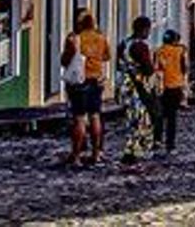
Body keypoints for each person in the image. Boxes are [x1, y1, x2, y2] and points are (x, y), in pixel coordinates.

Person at [62, 9, 110, 166]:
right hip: (95, 80)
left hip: (79, 82)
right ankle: (96, 154)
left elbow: (65, 60)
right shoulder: (101, 38)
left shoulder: (75, 39)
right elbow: (106, 57)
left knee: (79, 118)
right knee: (95, 116)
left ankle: (76, 155)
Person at [118, 16, 156, 166]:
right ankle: (137, 151)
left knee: (130, 118)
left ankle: (130, 150)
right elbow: (148, 68)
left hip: (124, 84)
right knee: (143, 118)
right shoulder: (140, 46)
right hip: (138, 85)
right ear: (144, 29)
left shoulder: (124, 44)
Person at [154, 29, 188, 153]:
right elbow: (184, 69)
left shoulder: (159, 51)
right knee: (172, 118)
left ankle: (157, 142)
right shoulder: (180, 51)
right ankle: (170, 145)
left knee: (159, 117)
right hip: (176, 87)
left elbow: (156, 69)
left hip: (162, 87)